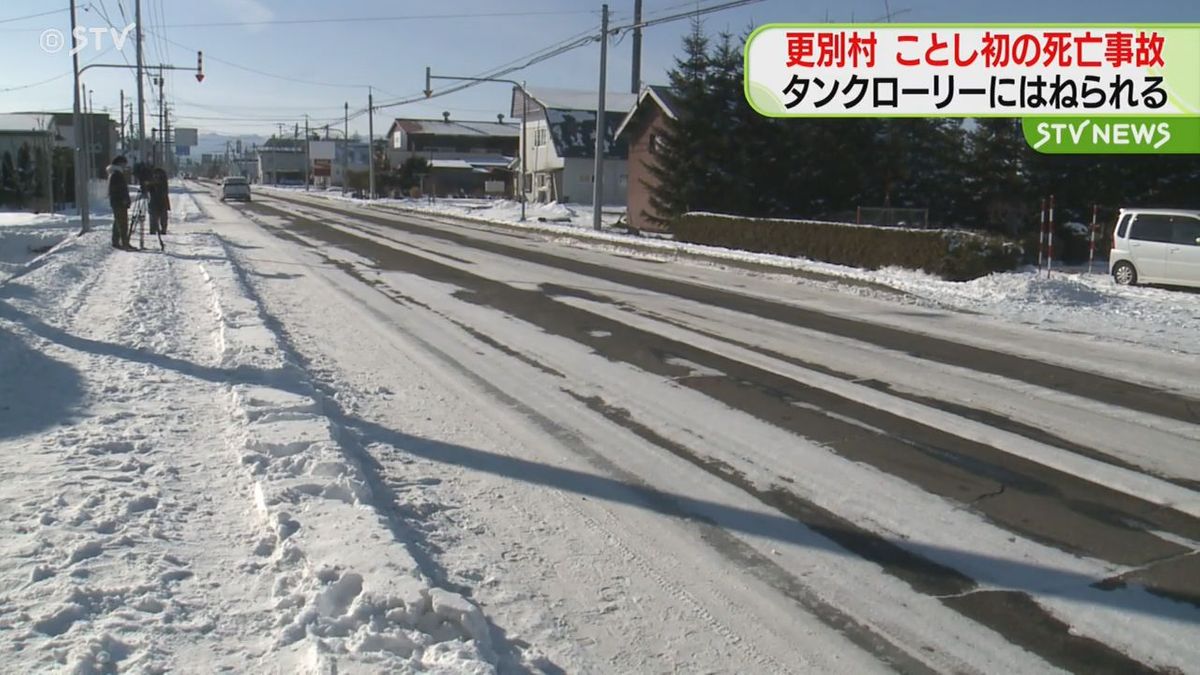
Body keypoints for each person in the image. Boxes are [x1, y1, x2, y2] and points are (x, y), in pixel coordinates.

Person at [106, 156, 131, 249]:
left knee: (118, 221)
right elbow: (119, 189)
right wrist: (124, 199)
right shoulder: (117, 174)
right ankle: (125, 243)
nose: (125, 166)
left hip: (116, 201)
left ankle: (116, 242)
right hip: (119, 202)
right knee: (123, 223)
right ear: (120, 163)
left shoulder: (115, 173)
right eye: (124, 163)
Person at [147, 167, 171, 235]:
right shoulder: (154, 182)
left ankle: (160, 229)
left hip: (160, 201)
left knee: (160, 216)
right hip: (156, 201)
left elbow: (164, 191)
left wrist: (153, 184)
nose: (156, 177)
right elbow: (148, 189)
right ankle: (155, 229)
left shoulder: (163, 182)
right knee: (156, 216)